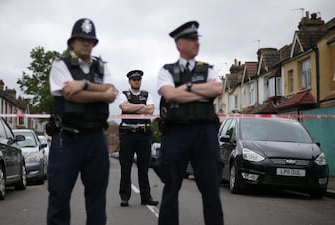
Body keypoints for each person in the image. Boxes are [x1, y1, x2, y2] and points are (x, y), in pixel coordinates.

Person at [47, 18, 117, 225]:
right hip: (67, 138)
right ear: (72, 42)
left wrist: (83, 84)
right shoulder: (60, 65)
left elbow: (112, 92)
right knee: (59, 197)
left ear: (94, 43)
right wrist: (100, 92)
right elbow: (70, 96)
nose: (86, 43)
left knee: (96, 200)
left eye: (90, 40)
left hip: (96, 137)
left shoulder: (102, 66)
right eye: (81, 39)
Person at [156, 21, 224, 225]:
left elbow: (217, 90)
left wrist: (184, 88)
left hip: (205, 133)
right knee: (171, 187)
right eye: (191, 39)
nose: (197, 42)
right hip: (176, 133)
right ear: (179, 44)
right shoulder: (166, 70)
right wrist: (199, 90)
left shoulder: (208, 69)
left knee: (211, 189)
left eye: (197, 39)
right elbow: (169, 94)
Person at [118, 70, 159, 207]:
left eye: (138, 79)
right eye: (134, 79)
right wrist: (142, 106)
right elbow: (124, 106)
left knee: (144, 168)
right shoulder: (123, 94)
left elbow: (150, 110)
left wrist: (133, 108)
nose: (137, 81)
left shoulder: (147, 95)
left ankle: (146, 197)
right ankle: (124, 197)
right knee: (126, 167)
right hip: (127, 135)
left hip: (143, 135)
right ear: (129, 81)